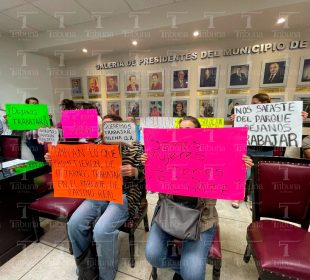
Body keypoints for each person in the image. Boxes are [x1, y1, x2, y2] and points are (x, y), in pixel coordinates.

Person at [143, 116, 254, 280]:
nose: (183, 134)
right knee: (153, 256)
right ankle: (182, 267)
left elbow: (233, 178)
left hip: (202, 218)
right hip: (168, 213)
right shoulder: (166, 151)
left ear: (200, 133)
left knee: (193, 275)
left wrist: (243, 167)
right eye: (180, 130)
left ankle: (187, 269)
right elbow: (152, 186)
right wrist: (148, 164)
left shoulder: (213, 153)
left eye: (189, 130)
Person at [45, 114, 145, 280]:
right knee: (74, 224)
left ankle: (106, 275)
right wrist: (55, 160)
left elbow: (150, 175)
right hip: (98, 193)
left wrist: (136, 172)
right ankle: (86, 267)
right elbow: (73, 165)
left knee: (102, 230)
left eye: (112, 126)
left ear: (121, 128)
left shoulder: (136, 148)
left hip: (124, 194)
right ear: (101, 131)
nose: (108, 130)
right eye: (104, 127)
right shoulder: (94, 147)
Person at [230, 93, 309, 209]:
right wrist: (234, 122)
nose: (251, 106)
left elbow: (287, 127)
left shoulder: (276, 115)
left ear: (265, 104)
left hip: (265, 151)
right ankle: (237, 197)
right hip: (248, 149)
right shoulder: (249, 115)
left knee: (258, 176)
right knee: (243, 174)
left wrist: (298, 118)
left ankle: (254, 200)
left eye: (254, 103)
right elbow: (238, 131)